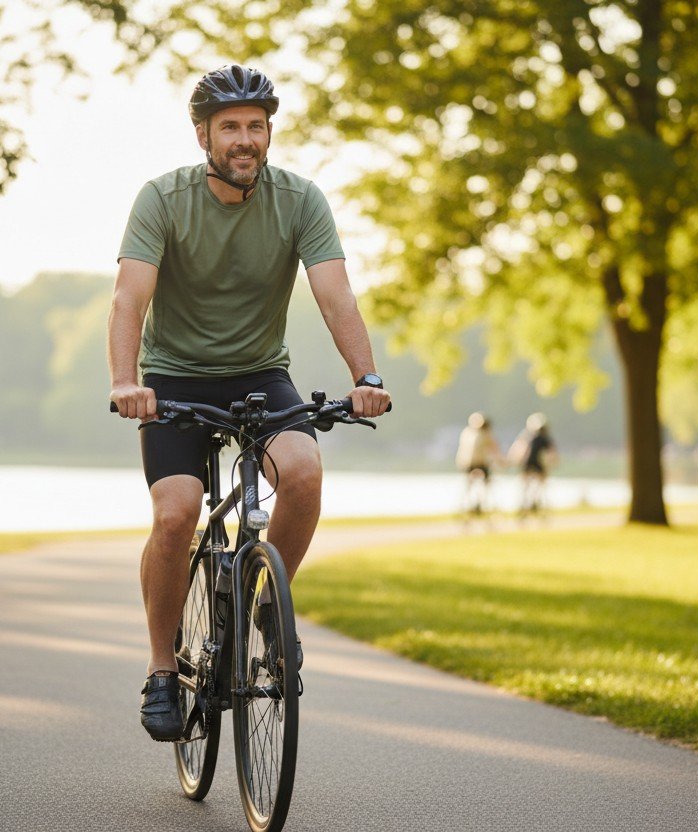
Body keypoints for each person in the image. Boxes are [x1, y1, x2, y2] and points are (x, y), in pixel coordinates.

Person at [107, 64, 392, 742]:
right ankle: (160, 668)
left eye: (256, 126)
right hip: (173, 377)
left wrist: (366, 375)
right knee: (176, 514)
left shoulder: (300, 200)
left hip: (260, 374)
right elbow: (129, 297)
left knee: (305, 473)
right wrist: (125, 381)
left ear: (269, 133)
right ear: (203, 135)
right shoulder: (163, 199)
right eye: (230, 126)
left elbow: (335, 295)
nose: (244, 139)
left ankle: (262, 601)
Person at [509, 413, 557, 517]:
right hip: (537, 464)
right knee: (539, 485)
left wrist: (515, 461)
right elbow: (552, 453)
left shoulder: (526, 436)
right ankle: (534, 504)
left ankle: (525, 506)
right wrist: (552, 463)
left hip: (528, 464)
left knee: (526, 487)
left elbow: (517, 450)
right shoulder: (544, 438)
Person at [455, 412, 501, 517]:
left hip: (469, 463)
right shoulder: (485, 434)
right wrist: (500, 462)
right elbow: (494, 449)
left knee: (469, 486)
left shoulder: (466, 432)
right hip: (479, 463)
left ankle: (468, 506)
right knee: (483, 485)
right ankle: (477, 505)